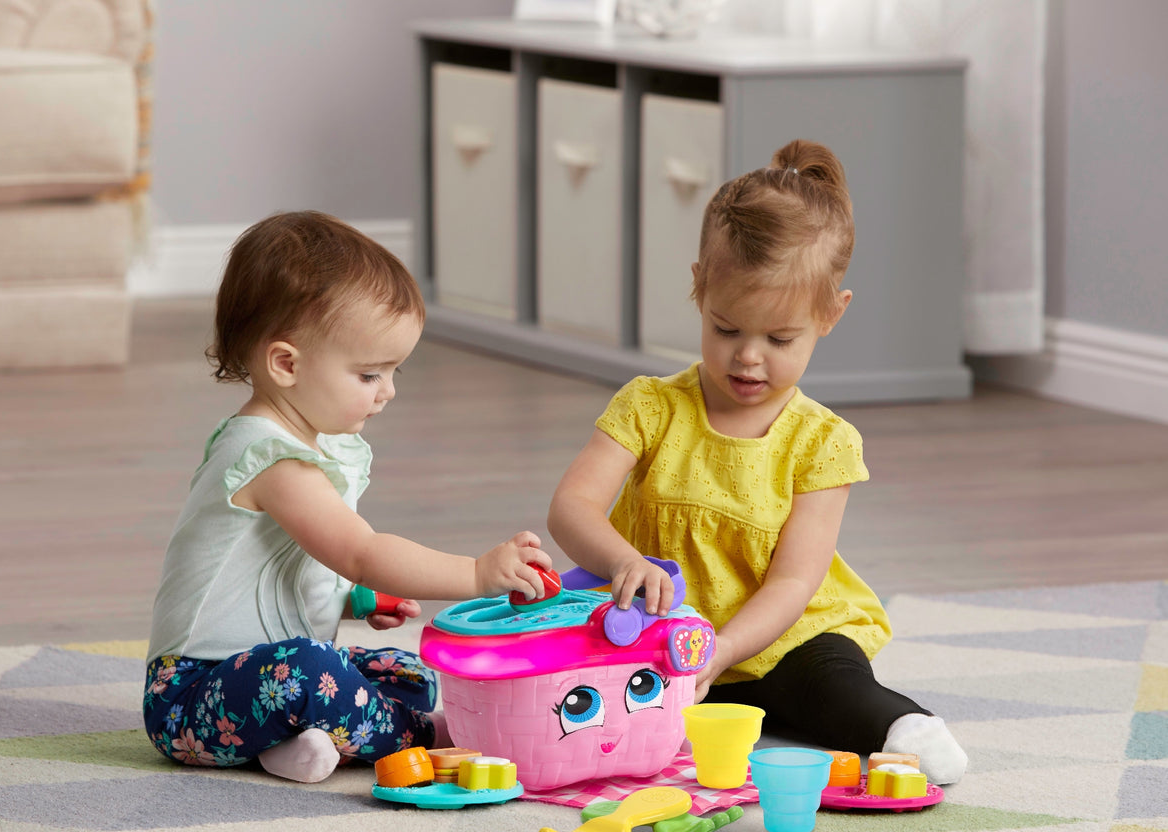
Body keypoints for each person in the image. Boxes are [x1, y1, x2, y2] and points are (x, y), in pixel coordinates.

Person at [547, 140, 967, 784]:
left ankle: (905, 725)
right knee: (588, 694)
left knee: (832, 687)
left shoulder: (823, 442)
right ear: (699, 287)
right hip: (663, 634)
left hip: (784, 637)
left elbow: (794, 584)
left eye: (779, 338)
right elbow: (571, 507)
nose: (748, 357)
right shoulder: (650, 406)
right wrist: (623, 561)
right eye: (727, 329)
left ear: (831, 314)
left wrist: (726, 649)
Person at [144, 211, 551, 783]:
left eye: (394, 372)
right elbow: (359, 551)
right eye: (369, 375)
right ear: (286, 364)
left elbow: (278, 573)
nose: (388, 392)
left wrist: (353, 599)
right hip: (190, 697)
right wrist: (477, 573)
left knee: (409, 672)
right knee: (310, 672)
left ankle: (290, 746)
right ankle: (428, 737)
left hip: (261, 678)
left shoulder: (304, 443)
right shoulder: (270, 459)